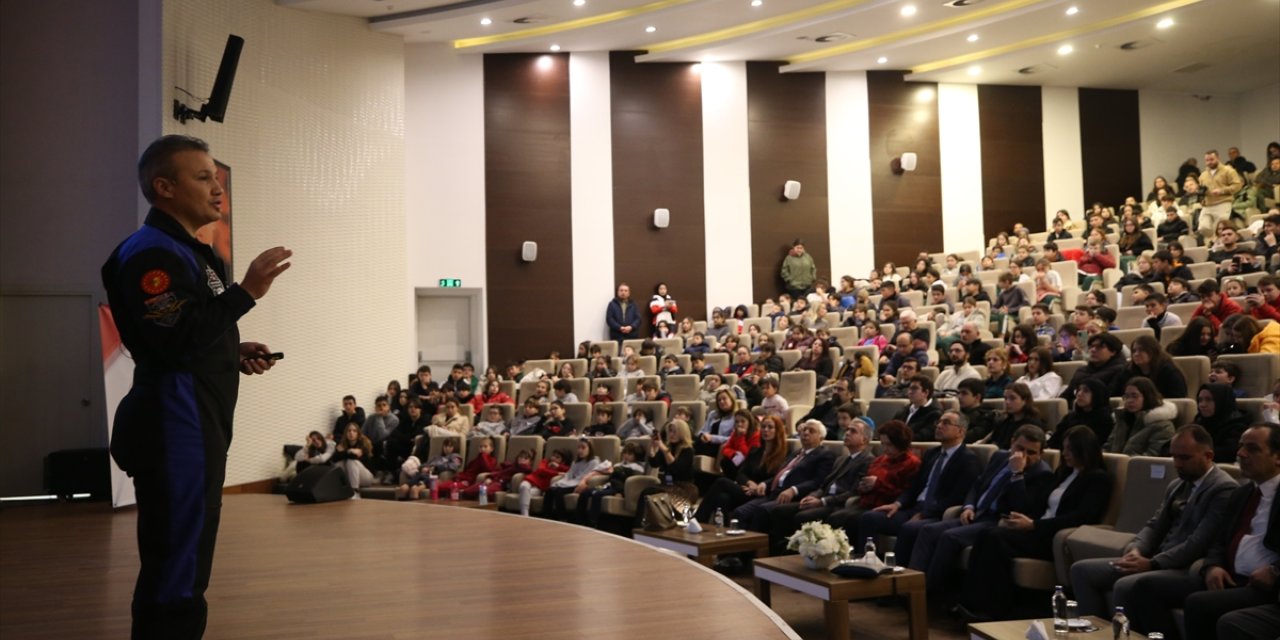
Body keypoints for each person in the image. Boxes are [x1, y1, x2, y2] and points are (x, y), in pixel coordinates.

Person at [102, 135, 290, 639]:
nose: (218, 188)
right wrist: (247, 291)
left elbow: (193, 329)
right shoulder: (152, 255)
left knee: (186, 561)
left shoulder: (186, 250)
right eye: (203, 177)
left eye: (218, 177)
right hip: (175, 429)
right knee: (177, 571)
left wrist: (231, 349)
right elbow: (173, 341)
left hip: (193, 425)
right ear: (164, 188)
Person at [1126, 423, 1280, 639]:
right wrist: (1213, 565)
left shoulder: (1232, 489)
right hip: (1229, 576)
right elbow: (1220, 541)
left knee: (1199, 604)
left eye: (1252, 449)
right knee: (1146, 587)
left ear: (1277, 457)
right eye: (1241, 447)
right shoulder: (1243, 493)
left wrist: (1275, 571)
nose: (1241, 454)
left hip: (1263, 585)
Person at [1070, 425, 1239, 618]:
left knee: (1125, 586)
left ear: (1208, 456)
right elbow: (1154, 525)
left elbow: (1198, 542)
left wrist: (1153, 564)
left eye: (1184, 458)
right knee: (1081, 571)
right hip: (1155, 558)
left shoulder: (1223, 488)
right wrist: (1136, 549)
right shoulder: (1177, 484)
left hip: (1185, 567)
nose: (1177, 464)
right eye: (1174, 456)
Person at [956, 426, 1111, 622]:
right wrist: (1021, 520)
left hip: (1053, 536)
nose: (1064, 454)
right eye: (1064, 448)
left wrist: (1034, 525)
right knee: (988, 534)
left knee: (994, 538)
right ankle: (971, 603)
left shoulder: (1097, 479)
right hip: (1037, 527)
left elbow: (1081, 517)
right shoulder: (1063, 473)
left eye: (1070, 450)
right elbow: (1035, 505)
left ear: (1084, 450)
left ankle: (993, 609)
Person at [911, 425, 1053, 594]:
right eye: (1020, 449)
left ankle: (929, 594)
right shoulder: (1000, 457)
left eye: (1031, 453)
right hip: (977, 514)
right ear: (1012, 442)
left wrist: (1017, 473)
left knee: (950, 537)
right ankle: (912, 588)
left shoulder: (1042, 474)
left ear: (1041, 454)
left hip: (998, 522)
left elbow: (1021, 507)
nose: (1023, 456)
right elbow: (978, 483)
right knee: (928, 531)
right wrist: (969, 506)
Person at [855, 411, 981, 566]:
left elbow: (958, 496)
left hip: (936, 513)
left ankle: (898, 575)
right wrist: (897, 504)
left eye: (946, 423)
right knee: (870, 517)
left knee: (910, 528)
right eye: (939, 422)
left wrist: (925, 514)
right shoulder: (932, 453)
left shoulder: (968, 459)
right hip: (914, 508)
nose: (939, 426)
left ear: (960, 431)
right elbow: (914, 486)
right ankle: (867, 566)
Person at [767, 415, 873, 552]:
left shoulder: (868, 461)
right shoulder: (842, 459)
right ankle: (776, 555)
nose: (847, 433)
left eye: (853, 431)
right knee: (780, 511)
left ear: (864, 439)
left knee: (802, 516)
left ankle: (797, 556)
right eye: (847, 430)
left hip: (837, 504)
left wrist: (822, 501)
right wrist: (813, 496)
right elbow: (824, 484)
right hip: (823, 499)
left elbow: (853, 492)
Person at [731, 420, 836, 532]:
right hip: (774, 492)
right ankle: (738, 547)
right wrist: (765, 484)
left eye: (811, 431)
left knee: (761, 511)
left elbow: (818, 481)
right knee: (740, 512)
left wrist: (794, 490)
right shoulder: (797, 452)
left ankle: (757, 548)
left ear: (821, 438)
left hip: (793, 497)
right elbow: (781, 475)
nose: (805, 433)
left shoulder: (825, 455)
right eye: (804, 429)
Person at [1107, 377, 1176, 457]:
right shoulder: (1122, 420)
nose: (1129, 400)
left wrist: (1124, 464)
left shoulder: (1163, 426)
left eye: (1134, 396)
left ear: (1148, 397)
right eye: (1126, 396)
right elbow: (1108, 447)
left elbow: (1153, 456)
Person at [1194, 383, 1250, 464]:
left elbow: (1229, 453)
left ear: (1221, 401)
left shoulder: (1238, 425)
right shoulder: (1198, 421)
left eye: (1209, 400)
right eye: (1200, 400)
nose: (1202, 405)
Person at [1198, 149, 1245, 238]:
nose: (1209, 162)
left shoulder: (1228, 170)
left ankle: (1218, 245)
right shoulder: (1203, 175)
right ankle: (1213, 242)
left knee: (1220, 229)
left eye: (1212, 159)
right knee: (1203, 227)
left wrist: (1223, 190)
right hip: (1207, 205)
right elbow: (1201, 190)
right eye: (1207, 160)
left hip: (1223, 202)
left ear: (1218, 158)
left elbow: (1237, 185)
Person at [1124, 335, 1188, 401]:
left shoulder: (1169, 372)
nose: (1136, 354)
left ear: (1153, 351)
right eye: (1134, 351)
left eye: (1141, 350)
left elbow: (1178, 400)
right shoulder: (1128, 371)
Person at [893, 375, 944, 442]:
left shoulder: (935, 413)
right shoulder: (905, 409)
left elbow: (922, 436)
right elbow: (891, 428)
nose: (910, 392)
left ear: (926, 392)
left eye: (914, 388)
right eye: (909, 388)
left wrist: (895, 439)